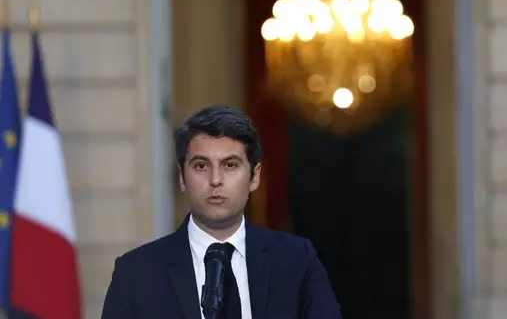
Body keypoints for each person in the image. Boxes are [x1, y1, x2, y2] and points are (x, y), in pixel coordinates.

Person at [101, 105, 342, 319]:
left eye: (230, 165)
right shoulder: (136, 272)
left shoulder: (297, 260)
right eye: (201, 166)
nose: (215, 180)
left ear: (254, 177)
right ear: (182, 178)